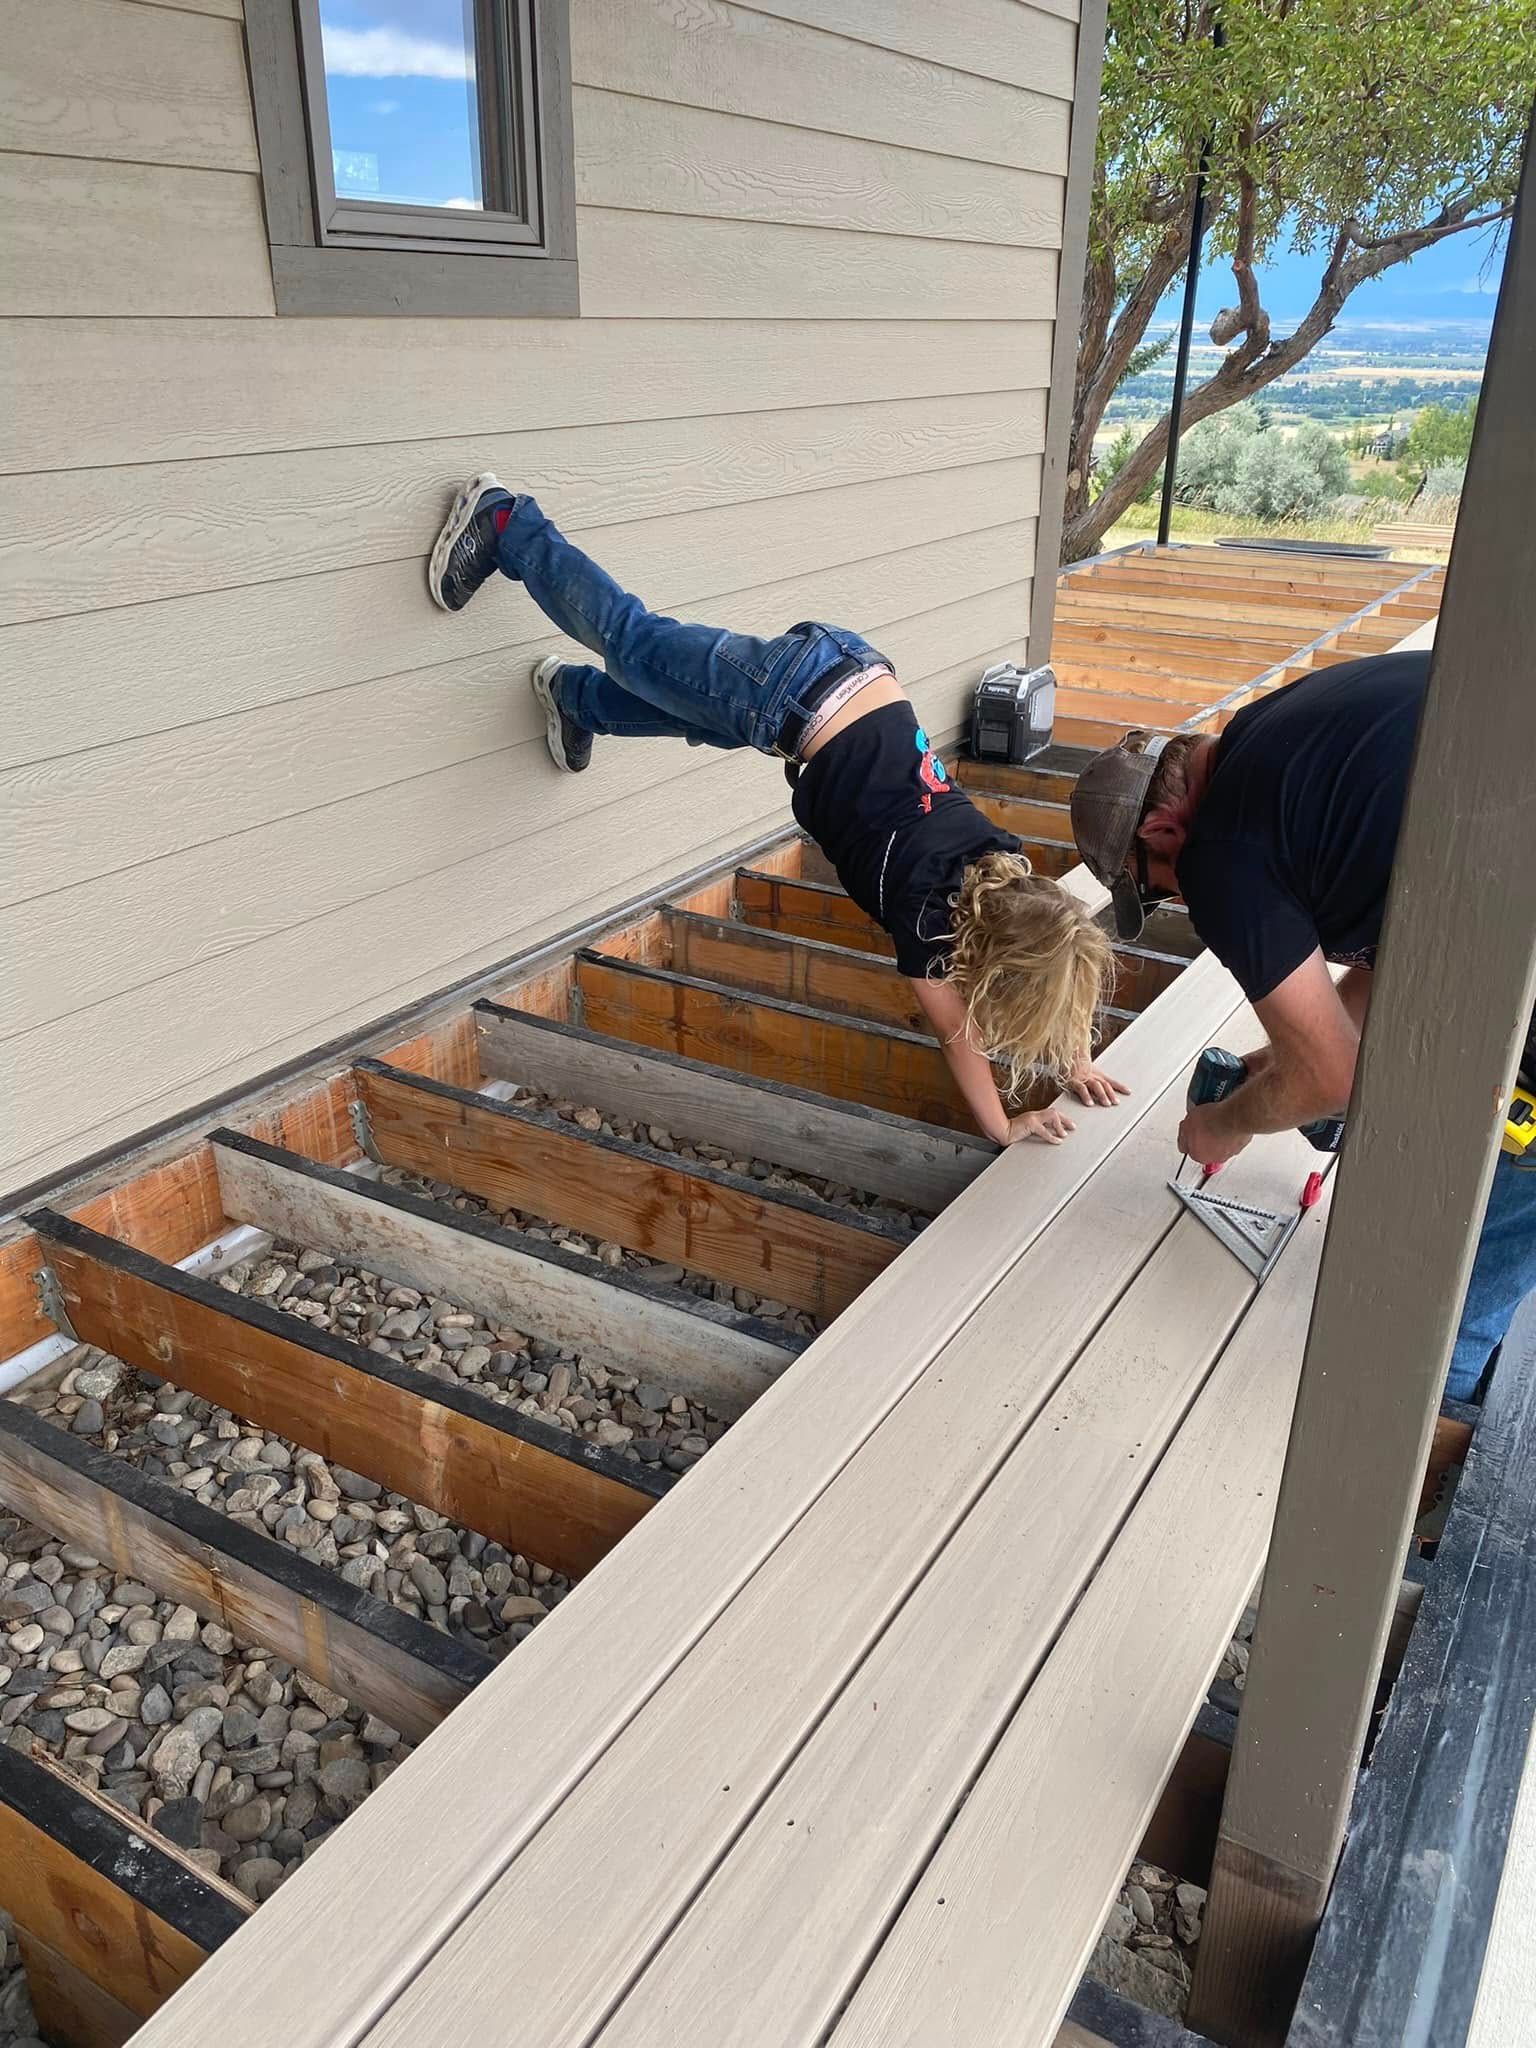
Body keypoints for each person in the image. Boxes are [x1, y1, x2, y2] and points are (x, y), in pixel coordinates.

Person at [428, 475, 1129, 1149]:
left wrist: (1078, 1062)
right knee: (635, 645)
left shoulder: (1008, 869)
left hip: (848, 678)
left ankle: (576, 699)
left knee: (691, 712)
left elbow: (1056, 947)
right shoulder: (926, 921)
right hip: (797, 695)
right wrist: (1002, 1127)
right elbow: (958, 1036)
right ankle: (506, 523)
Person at [1070, 648, 1535, 1400]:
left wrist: (1225, 1125)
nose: (1176, 900)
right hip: (1506, 873)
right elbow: (1400, 943)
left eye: (1154, 891)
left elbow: (1336, 1078)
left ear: (1160, 831)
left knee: (1434, 1319)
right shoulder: (1277, 728)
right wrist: (1278, 1061)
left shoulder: (1218, 853)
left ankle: (1423, 1438)